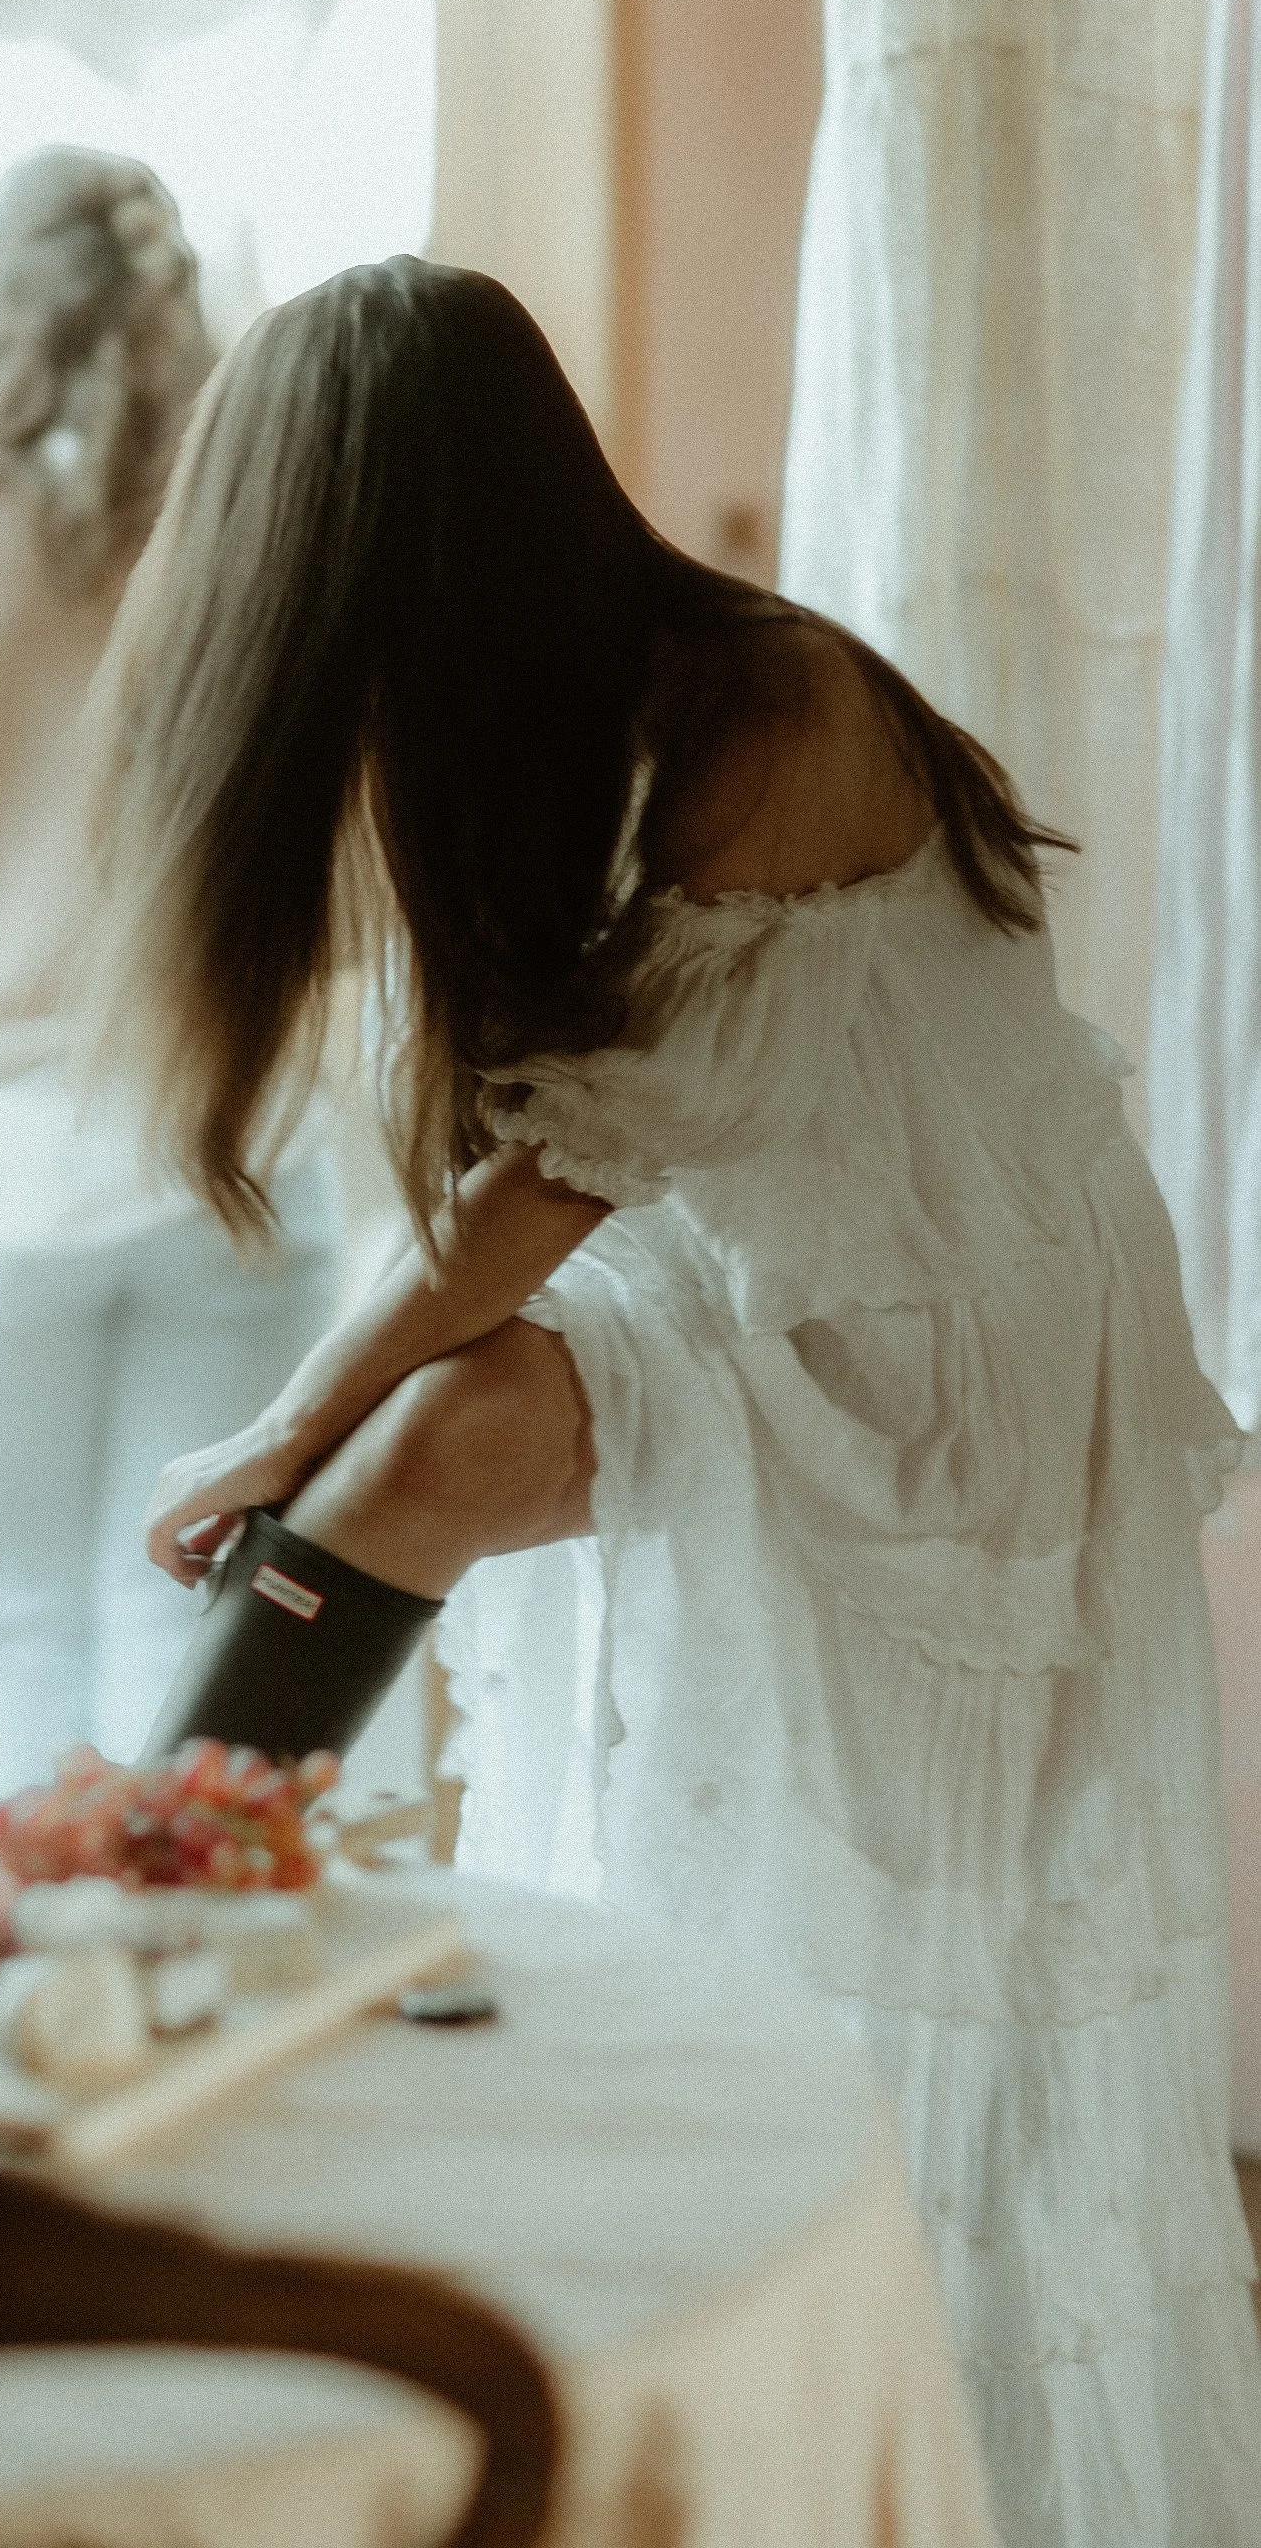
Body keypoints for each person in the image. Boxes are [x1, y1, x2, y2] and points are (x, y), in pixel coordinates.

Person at [77, 257, 1261, 2545]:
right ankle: (146, 1892)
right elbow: (545, 1172)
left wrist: (254, 1440)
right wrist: (300, 1428)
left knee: (881, 1941)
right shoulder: (566, 709)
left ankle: (149, 1898)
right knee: (419, 1452)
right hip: (784, 1267)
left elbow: (546, 1185)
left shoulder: (763, 708)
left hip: (961, 1354)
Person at [0, 150, 342, 1796]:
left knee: (8, 1624)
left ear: (8, 308)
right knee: (208, 1605)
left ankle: (55, 1969)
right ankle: (206, 1952)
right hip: (229, 1132)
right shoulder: (256, 531)